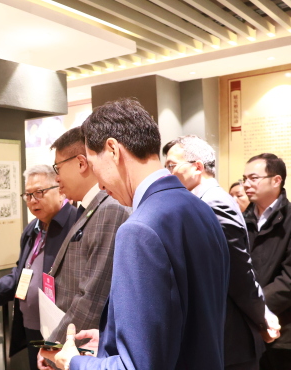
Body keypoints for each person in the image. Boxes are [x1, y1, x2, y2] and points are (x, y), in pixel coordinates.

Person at [42, 97, 229, 370]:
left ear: (112, 150)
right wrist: (110, 337)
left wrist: (74, 362)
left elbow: (136, 367)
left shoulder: (139, 229)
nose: (100, 186)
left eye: (94, 166)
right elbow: (187, 322)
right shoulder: (200, 208)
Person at [164, 135, 280, 370]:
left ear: (197, 167)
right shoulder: (201, 201)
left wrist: (263, 316)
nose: (167, 174)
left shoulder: (214, 203)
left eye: (172, 166)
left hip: (230, 339)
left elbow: (239, 272)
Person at [0, 165, 76, 370]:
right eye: (28, 195)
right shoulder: (33, 229)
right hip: (31, 325)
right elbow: (20, 274)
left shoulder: (75, 224)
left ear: (60, 189)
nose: (33, 200)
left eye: (39, 192)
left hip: (62, 330)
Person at [36, 127, 130, 369]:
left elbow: (92, 296)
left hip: (84, 351)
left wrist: (53, 348)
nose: (56, 178)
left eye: (58, 168)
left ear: (81, 163)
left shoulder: (109, 209)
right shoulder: (89, 208)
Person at [242, 153, 291, 369]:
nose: (246, 184)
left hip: (282, 330)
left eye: (253, 178)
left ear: (276, 180)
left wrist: (256, 307)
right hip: (245, 326)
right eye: (244, 178)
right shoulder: (241, 218)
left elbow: (288, 280)